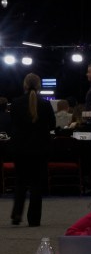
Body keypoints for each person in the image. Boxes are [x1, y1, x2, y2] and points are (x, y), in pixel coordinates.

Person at [9, 73, 55, 226]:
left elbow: (12, 125)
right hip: (40, 149)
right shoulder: (45, 104)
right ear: (39, 85)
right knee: (36, 184)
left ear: (25, 85)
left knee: (20, 183)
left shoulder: (15, 103)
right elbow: (53, 125)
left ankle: (17, 214)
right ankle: (34, 219)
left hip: (20, 149)